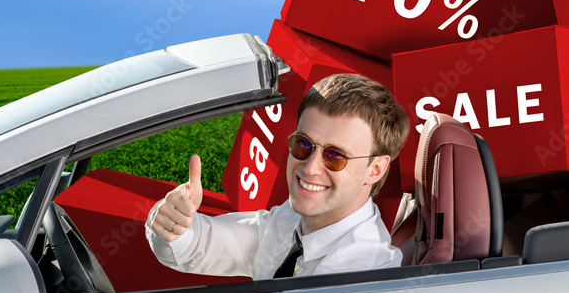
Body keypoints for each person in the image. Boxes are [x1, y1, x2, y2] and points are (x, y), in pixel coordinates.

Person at [145, 73, 410, 279]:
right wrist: (174, 223)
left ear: (375, 169)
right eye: (303, 144)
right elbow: (199, 246)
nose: (309, 168)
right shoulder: (290, 221)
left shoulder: (365, 278)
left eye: (335, 156)